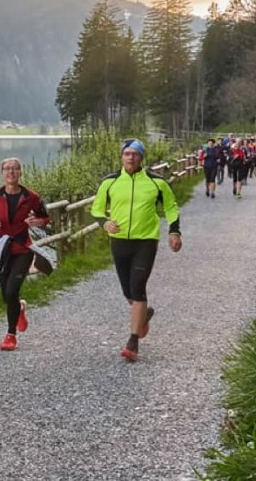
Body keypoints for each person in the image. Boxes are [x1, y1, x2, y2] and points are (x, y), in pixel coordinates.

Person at [90, 139, 182, 362]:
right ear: (121, 157)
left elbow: (170, 206)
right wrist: (104, 223)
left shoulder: (156, 182)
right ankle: (143, 317)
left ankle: (133, 341)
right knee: (129, 294)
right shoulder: (109, 182)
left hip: (146, 240)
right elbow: (96, 209)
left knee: (138, 287)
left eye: (135, 154)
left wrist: (174, 231)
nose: (130, 157)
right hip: (119, 241)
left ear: (142, 157)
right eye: (127, 154)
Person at [0, 157, 51, 351]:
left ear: (20, 172)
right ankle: (20, 309)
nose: (11, 172)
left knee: (11, 291)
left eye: (15, 169)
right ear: (2, 173)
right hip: (2, 251)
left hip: (23, 249)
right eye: (7, 169)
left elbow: (45, 217)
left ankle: (10, 335)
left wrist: (37, 222)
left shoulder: (30, 196)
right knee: (8, 296)